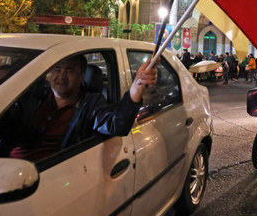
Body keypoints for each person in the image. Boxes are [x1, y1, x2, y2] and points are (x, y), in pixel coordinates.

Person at [8, 54, 158, 162]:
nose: (61, 75)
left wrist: (136, 87)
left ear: (81, 77)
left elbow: (116, 123)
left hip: (49, 176)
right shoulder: (33, 98)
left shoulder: (90, 104)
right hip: (5, 168)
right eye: (57, 69)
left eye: (69, 71)